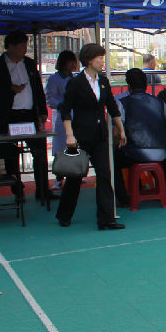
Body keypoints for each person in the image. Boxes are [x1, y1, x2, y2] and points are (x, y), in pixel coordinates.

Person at [55, 44, 126, 230]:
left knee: (105, 174)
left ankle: (106, 219)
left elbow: (112, 107)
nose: (103, 61)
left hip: (100, 135)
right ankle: (64, 214)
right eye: (99, 58)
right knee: (75, 176)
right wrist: (69, 135)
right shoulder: (76, 83)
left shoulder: (103, 81)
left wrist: (121, 129)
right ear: (88, 60)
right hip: (81, 135)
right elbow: (65, 110)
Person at [0, 30, 54, 202]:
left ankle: (43, 189)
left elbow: (38, 88)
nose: (25, 49)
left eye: (26, 45)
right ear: (10, 46)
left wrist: (42, 111)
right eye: (22, 45)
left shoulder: (29, 63)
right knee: (11, 155)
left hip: (29, 115)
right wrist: (9, 89)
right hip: (8, 116)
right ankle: (17, 190)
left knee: (39, 153)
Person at [115, 69, 166, 203]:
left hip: (134, 153)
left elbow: (116, 131)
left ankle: (123, 198)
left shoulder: (122, 103)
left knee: (112, 161)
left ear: (128, 86)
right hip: (161, 152)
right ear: (146, 85)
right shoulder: (159, 102)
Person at [44, 50, 78, 192]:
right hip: (61, 116)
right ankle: (59, 178)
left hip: (75, 115)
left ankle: (75, 174)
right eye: (70, 61)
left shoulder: (75, 78)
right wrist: (63, 105)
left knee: (75, 146)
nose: (73, 64)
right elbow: (50, 99)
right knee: (60, 148)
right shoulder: (54, 79)